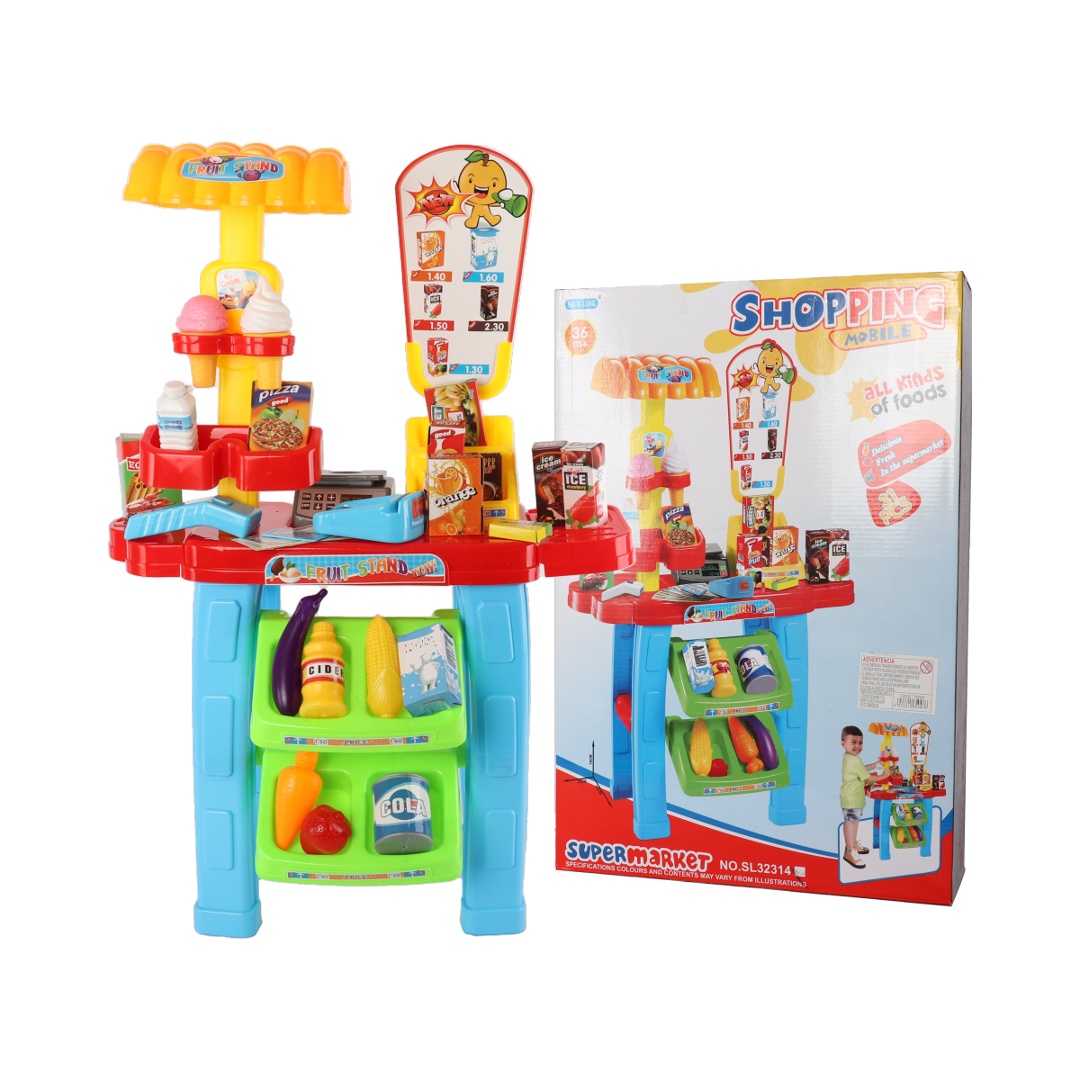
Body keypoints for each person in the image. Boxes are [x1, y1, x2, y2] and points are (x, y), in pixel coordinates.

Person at [839, 725, 887, 869]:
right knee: (850, 822)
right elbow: (868, 778)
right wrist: (884, 776)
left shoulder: (851, 758)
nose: (857, 746)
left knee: (855, 821)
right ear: (843, 744)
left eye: (860, 742)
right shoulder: (854, 760)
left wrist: (876, 764)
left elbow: (862, 769)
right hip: (851, 797)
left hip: (855, 797)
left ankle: (852, 844)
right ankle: (849, 850)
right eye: (853, 742)